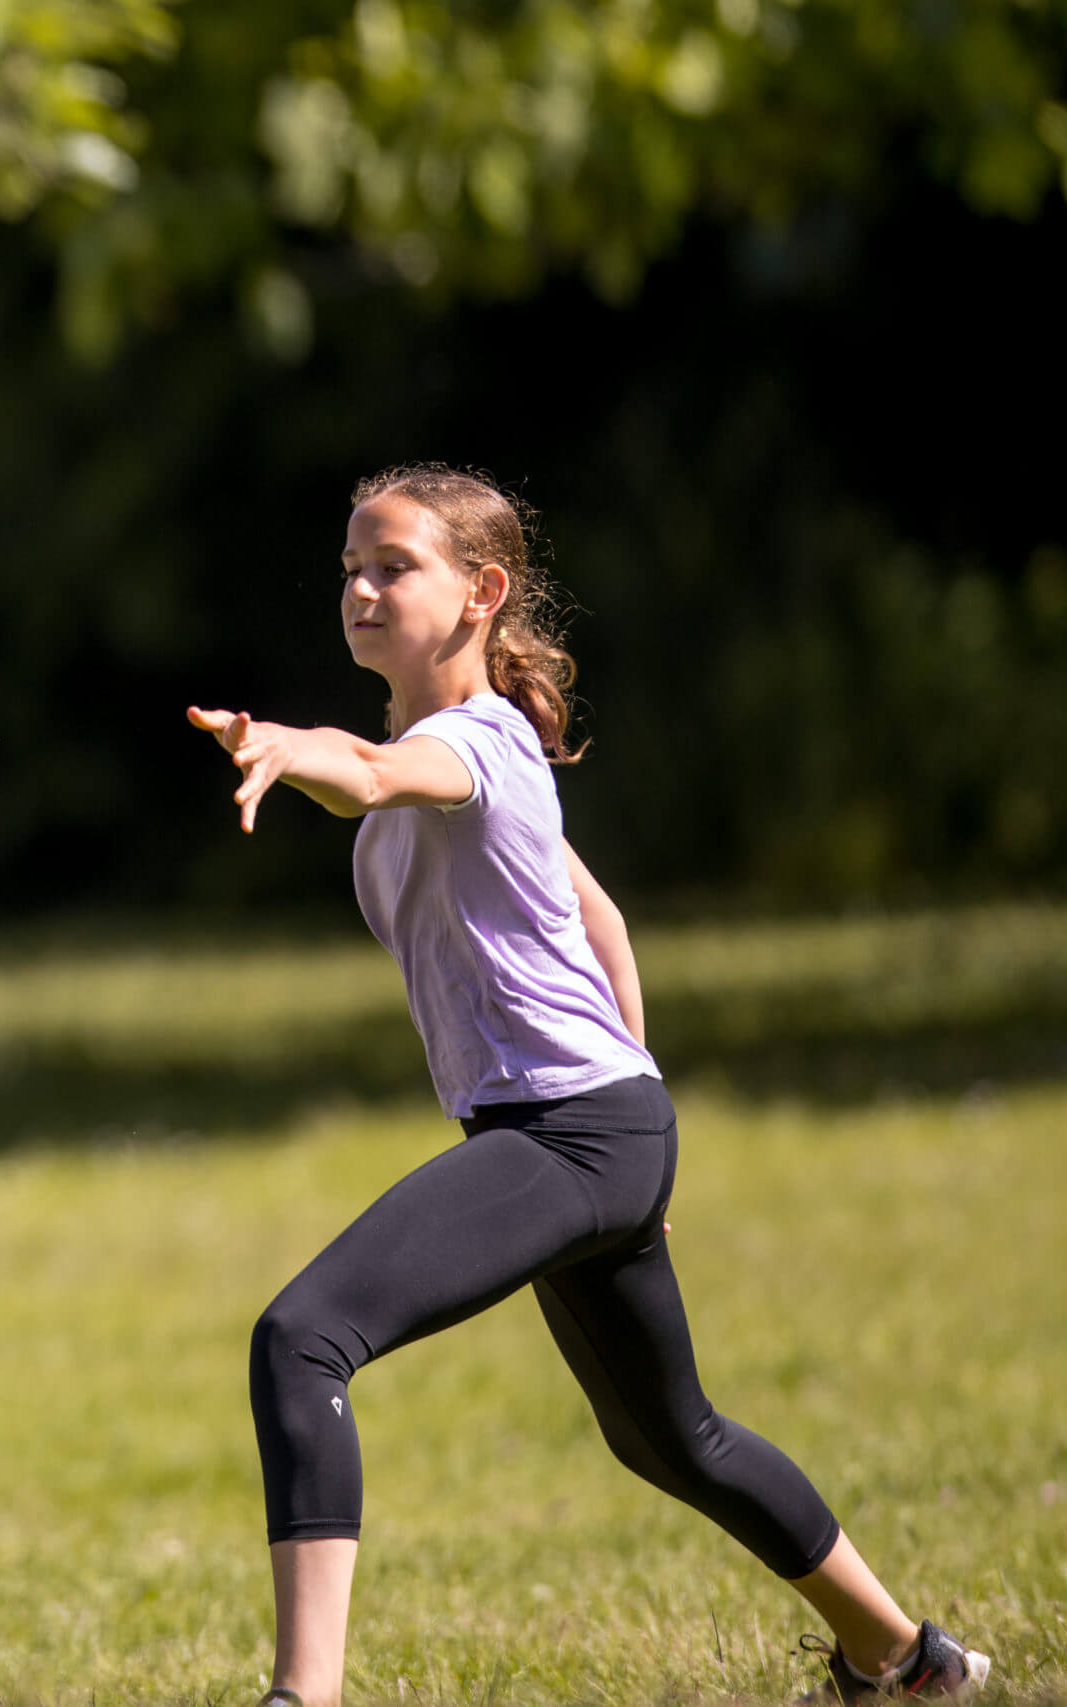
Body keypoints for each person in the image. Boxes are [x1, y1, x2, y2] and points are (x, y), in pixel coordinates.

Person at [186, 465, 988, 1707]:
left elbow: (375, 772)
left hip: (571, 1134)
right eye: (350, 565)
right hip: (596, 1127)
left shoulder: (470, 745)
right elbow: (597, 917)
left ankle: (304, 1696)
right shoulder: (479, 756)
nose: (359, 587)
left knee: (302, 1339)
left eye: (393, 564)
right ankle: (906, 1659)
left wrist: (296, 748)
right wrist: (641, 1119)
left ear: (480, 592)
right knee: (675, 1437)